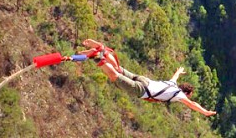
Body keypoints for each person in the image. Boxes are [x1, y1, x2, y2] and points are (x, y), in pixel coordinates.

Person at [77, 39, 217, 117]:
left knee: (119, 69)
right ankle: (96, 57)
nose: (188, 98)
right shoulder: (179, 95)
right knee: (115, 76)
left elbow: (174, 76)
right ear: (186, 93)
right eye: (189, 95)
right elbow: (192, 104)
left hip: (144, 80)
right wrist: (204, 111)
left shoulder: (173, 84)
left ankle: (102, 49)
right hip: (142, 89)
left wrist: (179, 72)